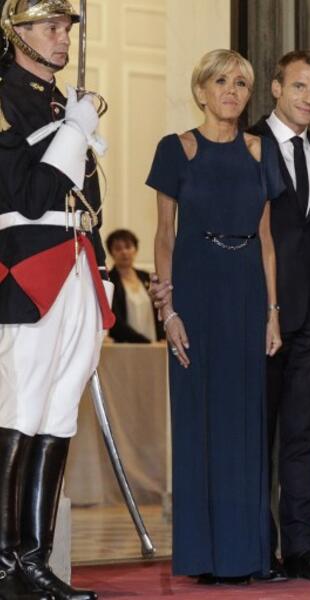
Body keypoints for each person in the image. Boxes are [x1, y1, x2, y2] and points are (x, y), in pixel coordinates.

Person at [146, 48, 284, 585]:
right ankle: (204, 556)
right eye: (221, 81)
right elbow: (162, 235)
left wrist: (273, 312)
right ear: (200, 89)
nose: (231, 90)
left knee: (245, 422)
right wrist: (168, 308)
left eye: (241, 83)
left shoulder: (259, 151)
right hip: (195, 292)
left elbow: (269, 241)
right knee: (199, 419)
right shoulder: (175, 148)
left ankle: (244, 555)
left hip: (248, 290)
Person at [0, 1, 111, 599]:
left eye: (67, 25)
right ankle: (2, 562)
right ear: (15, 33)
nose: (62, 35)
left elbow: (87, 202)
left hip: (75, 269)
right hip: (27, 271)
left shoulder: (59, 102)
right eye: (49, 25)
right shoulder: (7, 97)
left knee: (59, 413)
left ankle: (35, 561)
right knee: (18, 410)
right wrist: (76, 129)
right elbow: (33, 195)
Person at [247, 50, 310, 582]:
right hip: (260, 315)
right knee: (257, 434)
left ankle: (304, 547)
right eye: (299, 88)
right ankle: (257, 547)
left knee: (304, 435)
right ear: (276, 88)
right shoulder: (244, 145)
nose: (309, 99)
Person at [106, 228, 163, 343]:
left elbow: (160, 309)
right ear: (111, 253)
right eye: (118, 248)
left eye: (128, 247)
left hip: (154, 344)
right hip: (124, 346)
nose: (124, 252)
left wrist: (162, 337)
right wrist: (144, 342)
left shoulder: (146, 277)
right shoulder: (109, 281)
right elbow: (116, 322)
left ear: (135, 249)